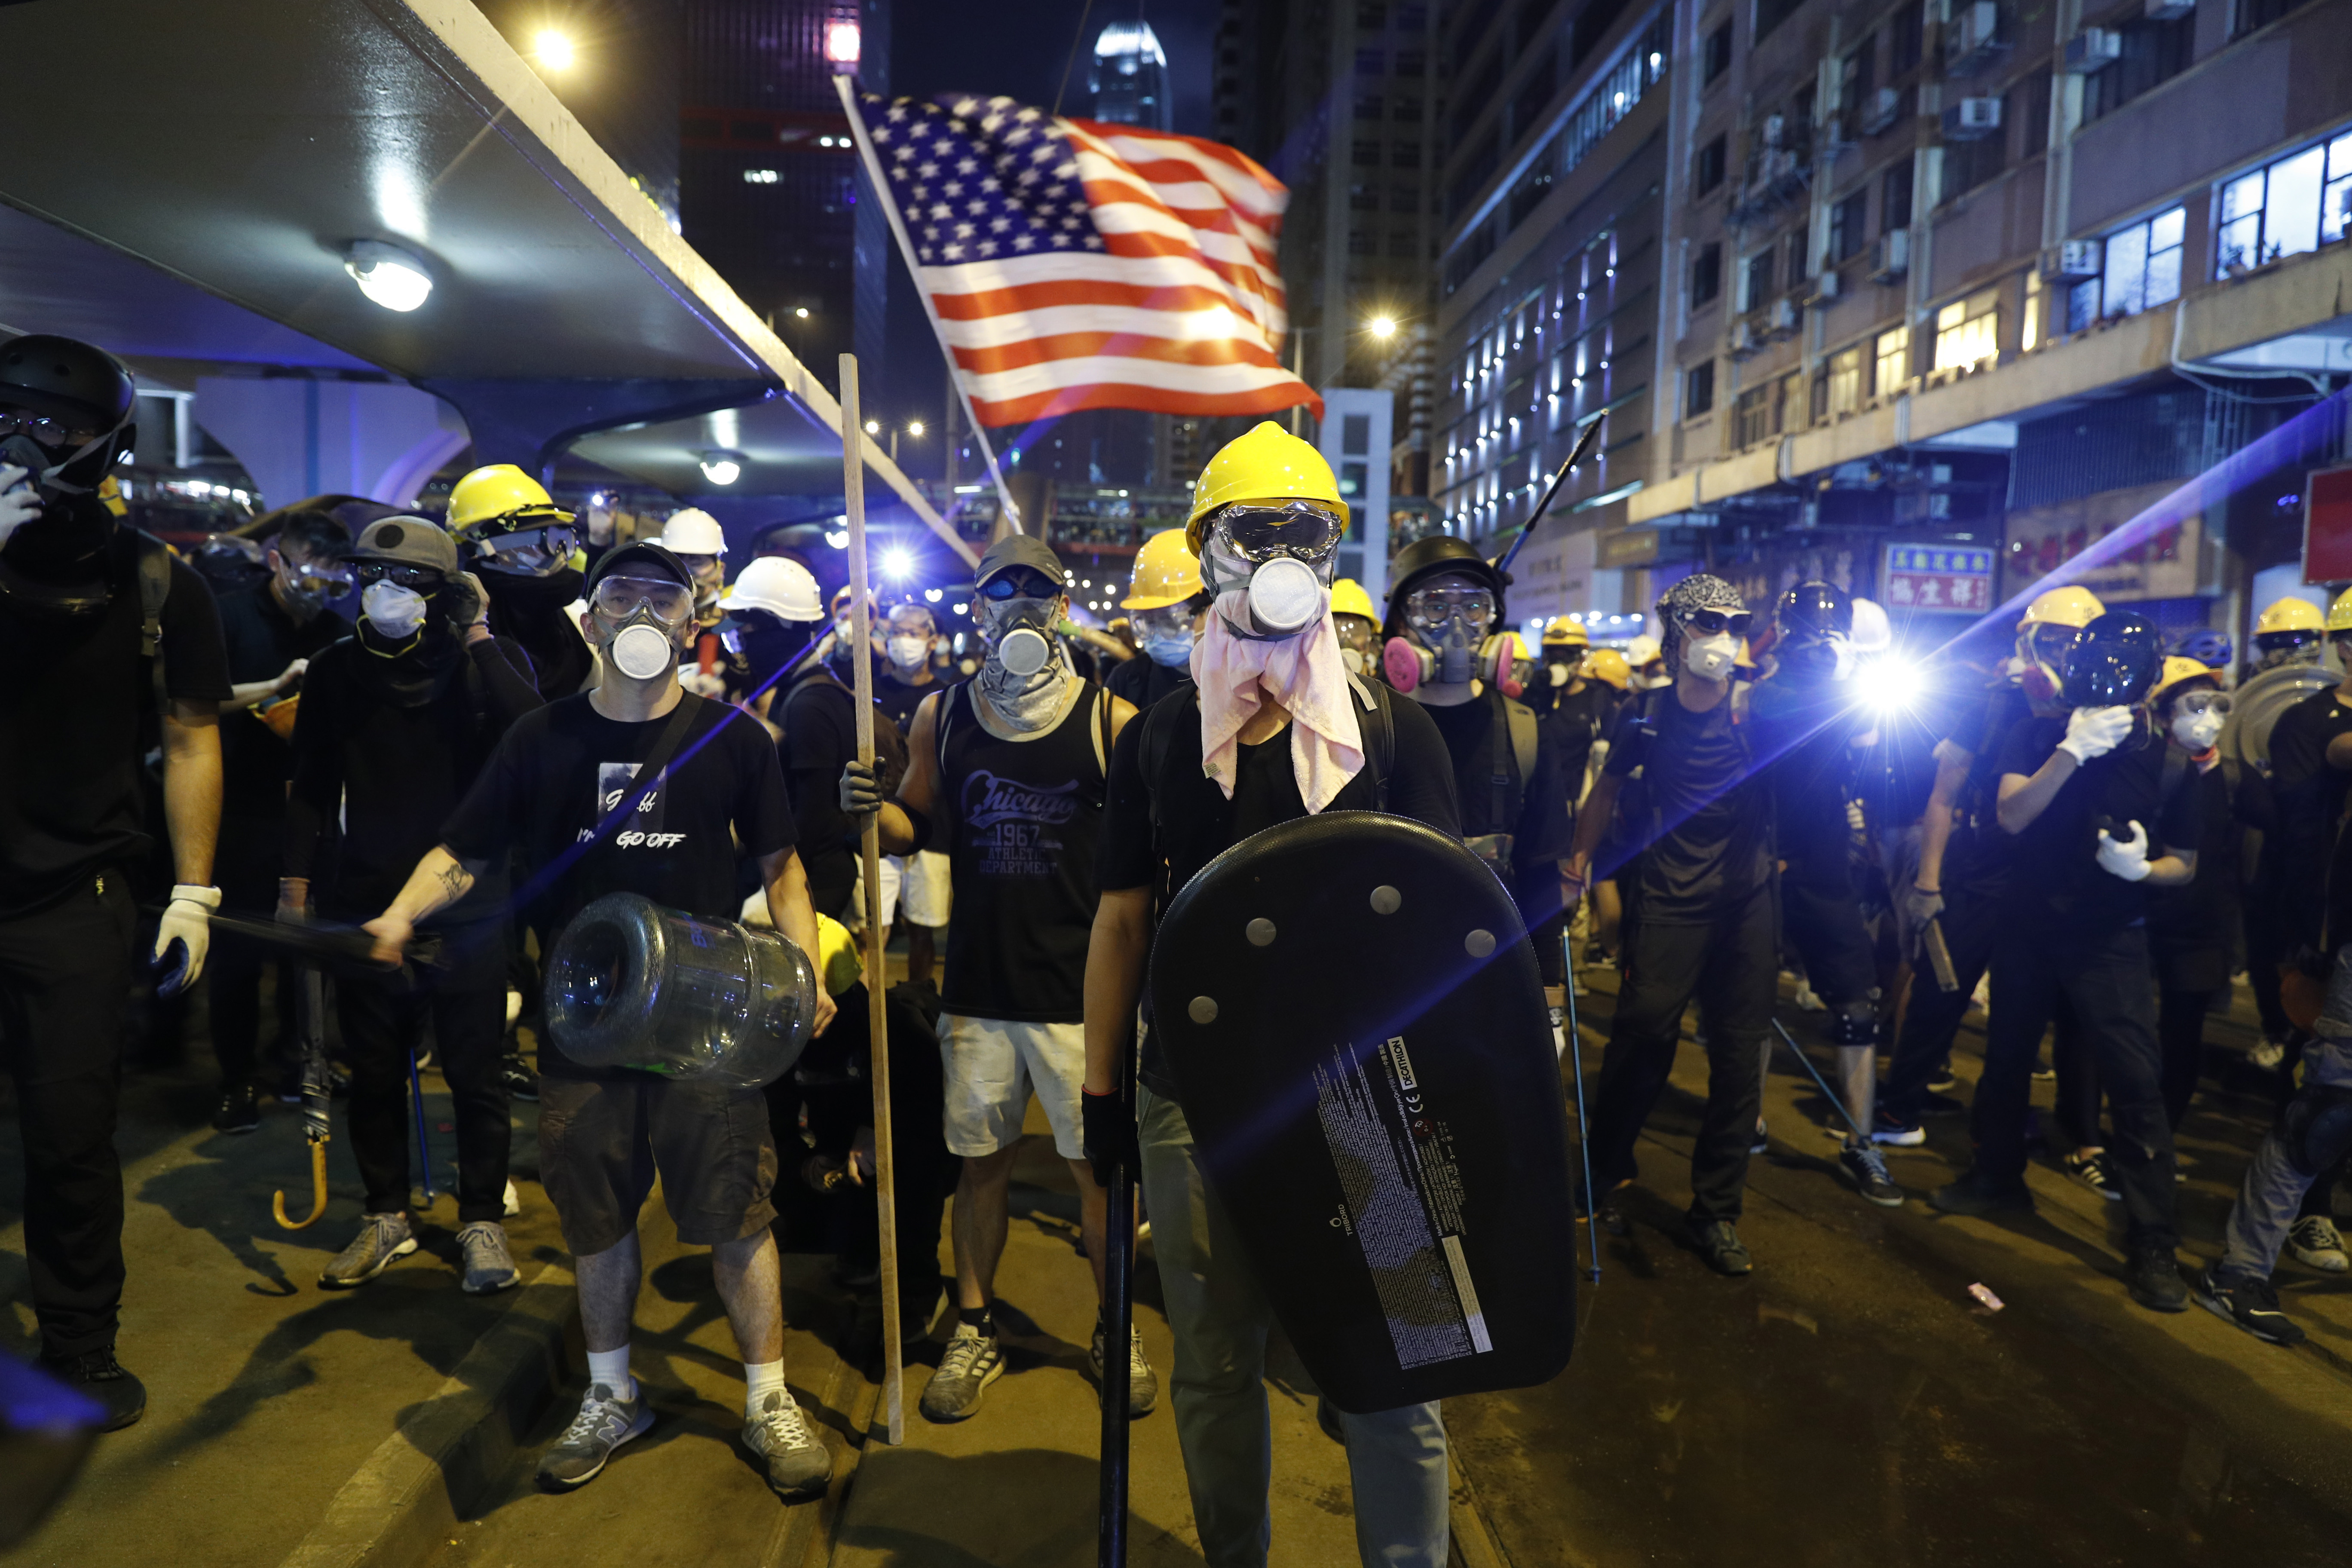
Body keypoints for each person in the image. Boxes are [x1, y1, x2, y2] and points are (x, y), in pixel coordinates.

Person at [362, 541, 840, 1500]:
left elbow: (783, 868)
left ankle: (767, 1401)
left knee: (738, 1213)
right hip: (583, 1026)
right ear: (590, 622)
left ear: (690, 627)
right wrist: (402, 912)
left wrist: (808, 969)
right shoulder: (540, 741)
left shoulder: (735, 740)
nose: (640, 618)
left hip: (709, 1027)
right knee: (595, 1218)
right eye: (619, 598)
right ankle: (613, 1394)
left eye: (662, 602)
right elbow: (463, 849)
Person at [1080, 421, 1461, 1568]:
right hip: (1196, 1095)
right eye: (1258, 531)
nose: (1285, 553)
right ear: (1208, 552)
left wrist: (1458, 1087)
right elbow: (1122, 920)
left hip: (1370, 1091)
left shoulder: (1390, 734)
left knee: (1404, 1364)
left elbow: (1451, 929)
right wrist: (1103, 1092)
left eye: (1311, 531)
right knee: (1214, 1361)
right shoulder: (1162, 740)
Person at [839, 535, 1153, 1423]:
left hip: (1078, 997)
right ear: (979, 611)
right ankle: (975, 1325)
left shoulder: (1111, 722)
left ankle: (1114, 1325)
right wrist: (873, 803)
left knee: (1099, 1175)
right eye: (1001, 594)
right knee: (980, 1169)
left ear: (1062, 610)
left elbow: (1144, 861)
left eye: (1039, 595)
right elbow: (920, 821)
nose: (1021, 609)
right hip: (979, 990)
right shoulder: (947, 713)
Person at [0, 333, 231, 1429]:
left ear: (100, 447)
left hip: (76, 897)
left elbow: (192, 737)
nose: (18, 443)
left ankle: (80, 1342)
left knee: (72, 1134)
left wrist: (193, 891)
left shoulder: (152, 581)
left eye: (46, 426)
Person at [281, 517, 542, 1291]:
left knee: (475, 1067)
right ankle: (386, 1212)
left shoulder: (476, 665)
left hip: (469, 896)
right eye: (372, 575)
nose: (386, 591)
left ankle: (481, 1219)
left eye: (408, 580)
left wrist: (481, 633)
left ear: (448, 591)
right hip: (364, 890)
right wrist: (295, 891)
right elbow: (311, 787)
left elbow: (534, 729)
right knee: (372, 1066)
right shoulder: (335, 671)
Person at [1931, 610, 2199, 1313]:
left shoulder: (2170, 761)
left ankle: (2152, 1239)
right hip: (2029, 921)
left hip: (2111, 936)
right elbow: (2012, 815)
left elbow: (2186, 864)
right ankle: (1995, 1175)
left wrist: (2143, 869)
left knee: (2135, 1082)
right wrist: (2071, 751)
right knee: (2007, 1057)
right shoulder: (2037, 731)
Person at [1563, 574, 1774, 1275]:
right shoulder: (1644, 715)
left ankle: (1715, 1213)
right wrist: (1580, 866)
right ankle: (1601, 1171)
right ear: (1675, 630)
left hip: (1744, 905)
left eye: (1732, 621)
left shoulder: (1757, 712)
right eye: (1707, 621)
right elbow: (1607, 793)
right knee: (1643, 1033)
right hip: (1668, 901)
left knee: (1740, 1059)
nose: (1721, 635)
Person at [1875, 586, 2104, 1145]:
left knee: (2037, 1013)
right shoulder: (1992, 704)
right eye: (2052, 639)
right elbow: (1943, 797)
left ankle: (2034, 1133)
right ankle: (1898, 1110)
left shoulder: (2100, 714)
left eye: (2077, 643)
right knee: (1941, 994)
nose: (2063, 653)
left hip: (2056, 873)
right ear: (2028, 640)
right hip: (1982, 867)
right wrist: (1928, 882)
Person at [1749, 582, 1900, 1206]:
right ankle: (1745, 1120)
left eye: (1829, 630)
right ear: (1786, 631)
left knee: (1856, 1005)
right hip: (1764, 856)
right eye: (1810, 629)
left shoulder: (1848, 687)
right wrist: (1830, 682)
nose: (1819, 641)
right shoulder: (1766, 686)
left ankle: (1861, 1143)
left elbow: (1875, 748)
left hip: (1824, 860)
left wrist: (1849, 681)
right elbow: (1770, 717)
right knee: (1753, 999)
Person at [1380, 536, 1576, 1010]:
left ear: (1493, 621)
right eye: (1434, 606)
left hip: (1491, 971)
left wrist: (1549, 997)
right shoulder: (1368, 727)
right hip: (1387, 974)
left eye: (1473, 607)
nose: (1455, 625)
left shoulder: (1526, 733)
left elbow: (1539, 878)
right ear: (1402, 620)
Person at [207, 506, 355, 1131]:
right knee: (238, 953)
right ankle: (236, 1080)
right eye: (308, 578)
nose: (317, 593)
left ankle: (300, 1060)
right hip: (240, 809)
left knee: (305, 949)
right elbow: (197, 697)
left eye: (332, 583)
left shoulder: (334, 629)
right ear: (277, 561)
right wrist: (274, 685)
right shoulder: (231, 614)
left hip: (310, 811)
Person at [2249, 588, 2352, 1269]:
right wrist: (2302, 937)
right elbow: (2298, 833)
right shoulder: (2309, 724)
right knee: (2322, 1081)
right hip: (2327, 920)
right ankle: (2301, 1218)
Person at [446, 463, 592, 698]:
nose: (560, 555)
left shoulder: (577, 621)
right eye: (545, 541)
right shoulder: (457, 626)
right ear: (489, 548)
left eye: (565, 541)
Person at [715, 553, 827, 721]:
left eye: (744, 633)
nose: (743, 645)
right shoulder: (796, 690)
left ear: (770, 627)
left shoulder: (808, 704)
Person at [1108, 527, 1206, 710]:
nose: (1157, 633)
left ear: (1211, 609)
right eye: (1148, 620)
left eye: (1168, 620)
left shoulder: (1241, 682)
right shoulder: (1127, 681)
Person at [2245, 596, 2325, 681]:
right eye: (2268, 643)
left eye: (2292, 641)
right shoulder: (2254, 685)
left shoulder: (2329, 689)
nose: (2276, 653)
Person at [1329, 577, 1380, 680]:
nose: (1347, 640)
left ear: (1370, 641)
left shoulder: (1382, 691)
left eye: (1356, 632)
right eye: (1336, 630)